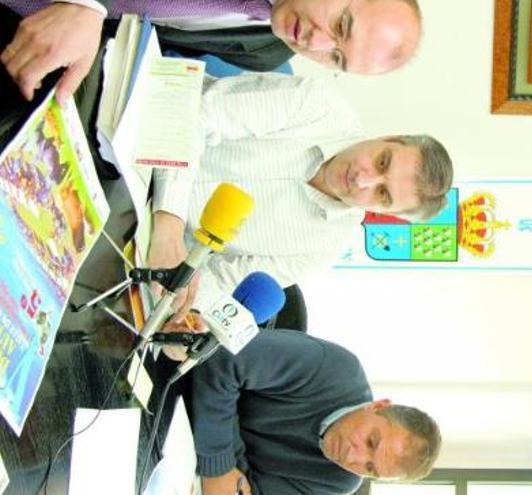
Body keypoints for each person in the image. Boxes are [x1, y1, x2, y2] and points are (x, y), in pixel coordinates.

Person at [147, 73, 453, 318]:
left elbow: (223, 281)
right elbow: (197, 114)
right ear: (389, 137)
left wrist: (185, 313)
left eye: (382, 193)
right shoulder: (321, 105)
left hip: (139, 236)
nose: (363, 179)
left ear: (386, 213)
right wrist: (169, 223)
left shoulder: (323, 250)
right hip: (136, 130)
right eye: (381, 161)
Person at [0, 0, 422, 103]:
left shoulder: (265, 53)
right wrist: (85, 4)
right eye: (342, 25)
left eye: (337, 59)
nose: (318, 43)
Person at [189, 327, 442, 494]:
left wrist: (224, 460)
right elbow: (221, 357)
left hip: (181, 461)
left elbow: (249, 491)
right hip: (176, 385)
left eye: (369, 468)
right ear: (378, 406)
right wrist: (220, 465)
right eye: (370, 442)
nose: (352, 458)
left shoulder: (340, 483)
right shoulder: (334, 370)